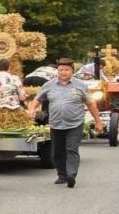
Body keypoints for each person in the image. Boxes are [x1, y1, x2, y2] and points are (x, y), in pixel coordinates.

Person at [27, 56, 103, 187]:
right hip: (56, 124)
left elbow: (91, 104)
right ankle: (62, 175)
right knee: (58, 152)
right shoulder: (49, 85)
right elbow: (38, 99)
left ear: (72, 71)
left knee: (71, 149)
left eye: (66, 70)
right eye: (61, 70)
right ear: (57, 71)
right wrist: (32, 109)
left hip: (75, 124)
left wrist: (98, 122)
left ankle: (71, 174)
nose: (63, 72)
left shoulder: (80, 85)